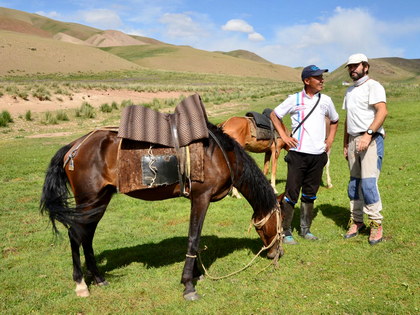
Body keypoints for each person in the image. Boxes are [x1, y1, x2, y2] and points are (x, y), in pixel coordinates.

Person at [270, 65, 339, 244]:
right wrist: (284, 136)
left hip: (318, 155)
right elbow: (274, 115)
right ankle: (285, 231)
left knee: (310, 193)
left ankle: (305, 230)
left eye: (322, 76)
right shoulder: (294, 99)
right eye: (317, 77)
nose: (322, 80)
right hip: (298, 154)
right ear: (307, 81)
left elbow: (335, 120)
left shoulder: (326, 100)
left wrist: (330, 139)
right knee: (291, 193)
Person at [342, 53, 388, 245]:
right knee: (354, 184)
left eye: (356, 66)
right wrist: (345, 143)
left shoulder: (374, 86)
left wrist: (368, 135)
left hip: (370, 139)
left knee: (368, 183)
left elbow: (382, 111)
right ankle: (357, 220)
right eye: (350, 66)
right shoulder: (350, 91)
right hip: (353, 140)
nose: (353, 69)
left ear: (365, 66)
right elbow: (348, 119)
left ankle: (376, 223)